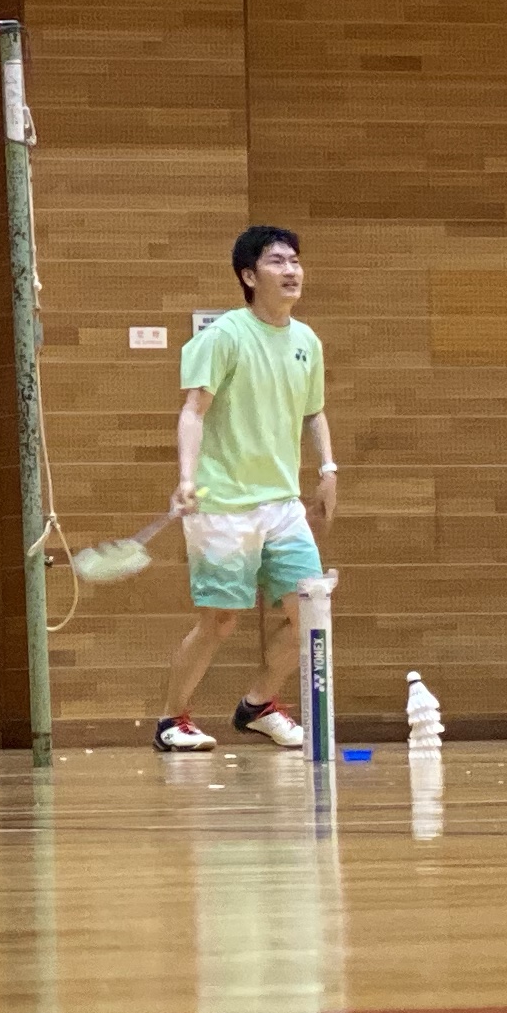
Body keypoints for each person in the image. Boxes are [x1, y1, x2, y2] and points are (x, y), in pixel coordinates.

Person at [151, 226, 338, 755]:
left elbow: (314, 410)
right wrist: (187, 478)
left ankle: (258, 705)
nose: (292, 270)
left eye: (295, 260)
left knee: (309, 614)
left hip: (282, 505)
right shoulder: (225, 336)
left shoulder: (306, 341)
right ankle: (171, 719)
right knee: (220, 622)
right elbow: (193, 410)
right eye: (278, 261)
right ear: (250, 276)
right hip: (222, 505)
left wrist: (328, 468)